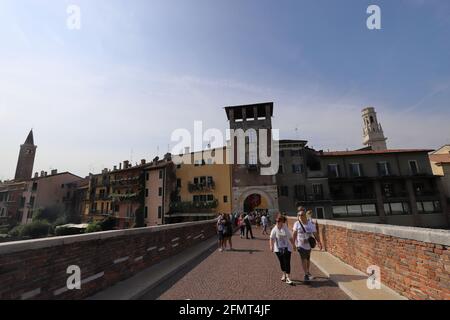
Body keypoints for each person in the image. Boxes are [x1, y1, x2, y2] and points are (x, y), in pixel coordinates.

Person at [292, 210, 322, 281]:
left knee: (308, 259)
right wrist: (293, 244)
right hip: (300, 245)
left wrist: (319, 242)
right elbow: (294, 234)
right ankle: (306, 274)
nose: (300, 216)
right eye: (299, 215)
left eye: (301, 215)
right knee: (304, 259)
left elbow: (315, 234)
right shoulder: (297, 224)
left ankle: (308, 272)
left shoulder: (310, 224)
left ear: (305, 215)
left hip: (309, 245)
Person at [270, 214, 295, 285]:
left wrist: (294, 245)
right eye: (276, 221)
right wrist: (271, 246)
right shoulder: (274, 229)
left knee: (287, 262)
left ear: (282, 222)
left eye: (279, 221)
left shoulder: (285, 228)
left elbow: (290, 238)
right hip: (278, 249)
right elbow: (271, 238)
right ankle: (284, 274)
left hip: (287, 247)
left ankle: (288, 277)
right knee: (281, 262)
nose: (277, 222)